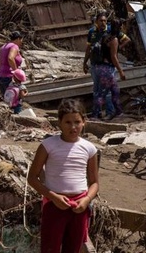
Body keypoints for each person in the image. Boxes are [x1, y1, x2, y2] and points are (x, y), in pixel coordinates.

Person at [27, 99, 99, 253]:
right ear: (59, 122)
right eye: (67, 122)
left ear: (84, 122)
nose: (73, 127)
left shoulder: (90, 148)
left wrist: (86, 200)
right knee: (49, 248)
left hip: (79, 207)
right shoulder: (48, 145)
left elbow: (94, 183)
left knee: (72, 248)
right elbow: (32, 178)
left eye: (77, 122)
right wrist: (53, 197)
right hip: (54, 205)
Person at [83, 11, 130, 118]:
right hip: (106, 69)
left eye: (105, 21)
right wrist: (121, 71)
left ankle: (116, 112)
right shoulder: (113, 39)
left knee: (113, 91)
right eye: (101, 21)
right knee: (102, 93)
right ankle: (97, 115)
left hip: (103, 68)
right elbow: (113, 57)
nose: (103, 23)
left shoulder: (106, 37)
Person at [0, 31, 24, 96]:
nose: (21, 42)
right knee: (14, 99)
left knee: (7, 99)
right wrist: (16, 72)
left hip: (0, 76)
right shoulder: (14, 46)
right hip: (8, 77)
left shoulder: (4, 46)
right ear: (18, 39)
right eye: (21, 40)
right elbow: (10, 58)